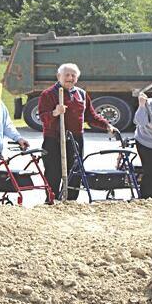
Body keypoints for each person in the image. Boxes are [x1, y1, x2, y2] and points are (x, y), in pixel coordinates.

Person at [37, 63, 118, 202]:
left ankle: (70, 201)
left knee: (75, 171)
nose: (70, 78)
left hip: (75, 138)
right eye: (67, 75)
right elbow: (43, 117)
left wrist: (106, 125)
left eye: (73, 75)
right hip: (54, 138)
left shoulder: (81, 94)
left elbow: (90, 116)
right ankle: (51, 200)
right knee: (53, 172)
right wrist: (55, 112)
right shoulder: (48, 94)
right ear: (59, 76)